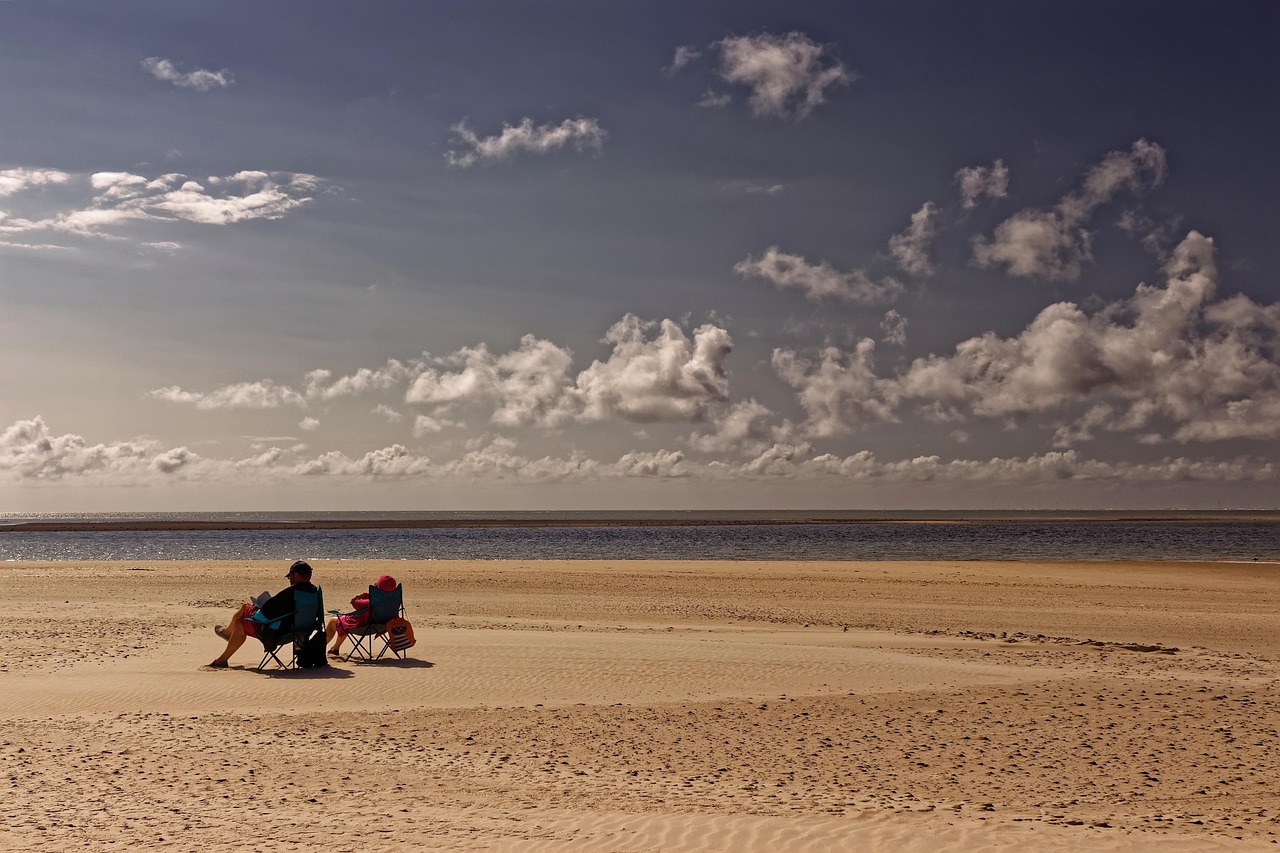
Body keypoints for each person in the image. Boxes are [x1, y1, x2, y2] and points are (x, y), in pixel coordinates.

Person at [208, 560, 319, 668]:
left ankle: (224, 652)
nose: (289, 579)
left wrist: (254, 612)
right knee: (244, 612)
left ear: (296, 575)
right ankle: (227, 636)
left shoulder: (291, 592)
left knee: (241, 620)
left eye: (290, 576)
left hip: (281, 633)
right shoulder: (315, 591)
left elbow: (262, 616)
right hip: (303, 631)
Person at [325, 574, 397, 658]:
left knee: (334, 621)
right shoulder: (393, 602)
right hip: (382, 626)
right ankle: (334, 648)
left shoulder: (371, 603)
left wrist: (357, 598)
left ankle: (326, 648)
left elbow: (355, 603)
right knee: (344, 621)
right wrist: (366, 595)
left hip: (364, 627)